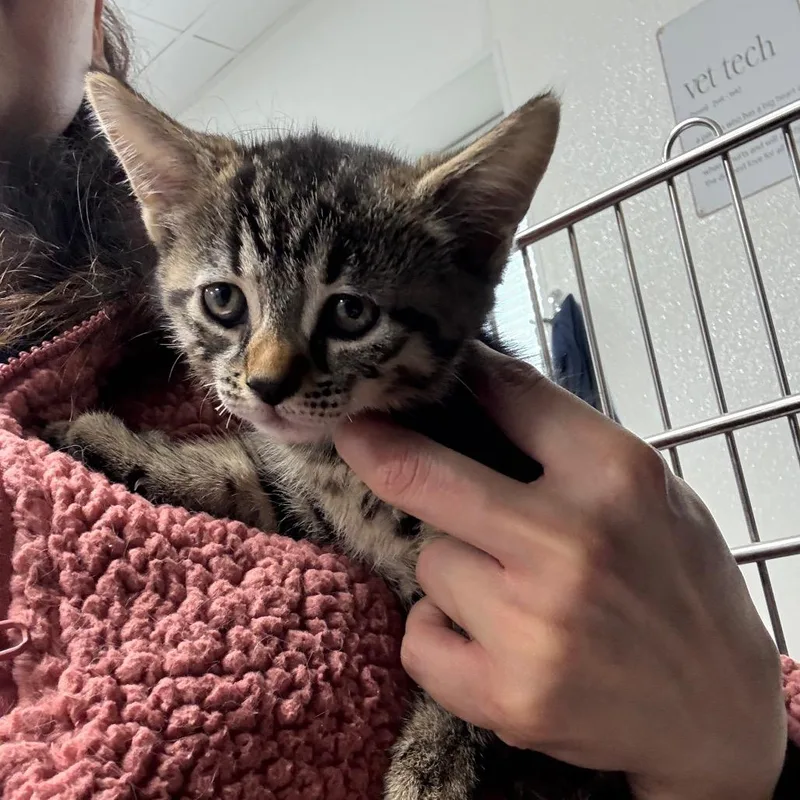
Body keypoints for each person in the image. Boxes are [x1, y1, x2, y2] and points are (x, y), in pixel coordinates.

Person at [0, 3, 796, 798]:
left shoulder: (477, 446)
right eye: (225, 302)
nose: (269, 372)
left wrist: (732, 748)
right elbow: (285, 488)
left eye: (348, 314)